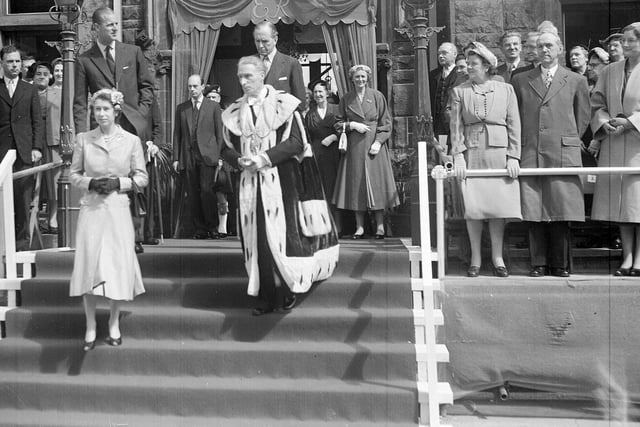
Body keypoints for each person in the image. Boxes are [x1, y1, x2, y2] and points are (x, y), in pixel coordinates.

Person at [220, 56, 339, 315]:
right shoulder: (234, 111)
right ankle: (265, 296)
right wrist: (238, 159)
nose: (242, 82)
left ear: (262, 74)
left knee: (284, 238)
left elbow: (296, 142)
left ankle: (288, 290)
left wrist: (265, 158)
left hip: (282, 182)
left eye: (248, 76)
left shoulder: (284, 105)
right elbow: (225, 148)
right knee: (259, 239)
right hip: (250, 184)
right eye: (240, 77)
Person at [69, 88, 147, 351]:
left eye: (105, 109)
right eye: (96, 109)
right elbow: (73, 175)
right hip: (91, 209)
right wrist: (90, 182)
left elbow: (142, 178)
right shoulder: (83, 139)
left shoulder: (131, 140)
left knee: (117, 267)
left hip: (117, 210)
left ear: (116, 111)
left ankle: (114, 322)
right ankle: (90, 325)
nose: (101, 114)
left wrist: (119, 182)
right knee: (89, 266)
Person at [511, 30, 590, 278]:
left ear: (559, 49)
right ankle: (539, 263)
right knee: (534, 209)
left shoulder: (575, 80)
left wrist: (567, 137)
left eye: (549, 46)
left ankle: (559, 264)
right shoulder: (521, 80)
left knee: (561, 208)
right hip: (532, 150)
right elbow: (515, 116)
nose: (545, 50)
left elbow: (583, 116)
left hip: (562, 151)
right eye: (540, 46)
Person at [450, 43, 522, 278]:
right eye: (467, 63)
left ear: (487, 66)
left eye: (473, 64)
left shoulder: (506, 90)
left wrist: (513, 156)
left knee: (496, 206)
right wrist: (458, 156)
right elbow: (456, 127)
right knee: (474, 206)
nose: (469, 67)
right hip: (473, 152)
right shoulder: (460, 91)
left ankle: (497, 257)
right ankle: (476, 258)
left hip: (499, 153)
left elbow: (514, 125)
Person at [589, 22, 640, 276]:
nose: (627, 44)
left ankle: (639, 259)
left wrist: (632, 121)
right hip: (614, 140)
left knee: (637, 202)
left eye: (632, 40)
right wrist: (603, 121)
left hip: (637, 145)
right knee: (622, 204)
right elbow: (596, 103)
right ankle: (627, 256)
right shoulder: (610, 70)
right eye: (626, 40)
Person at [333, 64, 399, 239]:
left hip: (373, 146)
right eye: (357, 77)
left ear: (368, 78)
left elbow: (386, 122)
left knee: (377, 184)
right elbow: (338, 123)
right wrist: (351, 125)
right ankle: (360, 227)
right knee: (357, 185)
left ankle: (380, 227)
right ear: (352, 79)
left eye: (363, 77)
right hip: (355, 146)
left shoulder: (377, 96)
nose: (360, 80)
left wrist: (378, 141)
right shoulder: (346, 99)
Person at [74, 7, 154, 139]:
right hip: (101, 128)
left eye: (116, 23)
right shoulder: (85, 60)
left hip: (133, 126)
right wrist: (81, 133)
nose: (115, 28)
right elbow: (80, 102)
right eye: (110, 25)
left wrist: (141, 113)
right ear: (97, 27)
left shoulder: (133, 52)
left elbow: (147, 86)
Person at [0, 46, 43, 251]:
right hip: (1, 152)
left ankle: (22, 244)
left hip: (25, 151)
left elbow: (37, 121)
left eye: (17, 61)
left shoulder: (30, 89)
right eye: (10, 62)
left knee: (23, 199)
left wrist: (36, 147)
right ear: (2, 64)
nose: (15, 65)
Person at [173, 74, 224, 240]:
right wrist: (176, 158)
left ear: (203, 86)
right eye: (190, 87)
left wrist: (220, 156)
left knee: (207, 191)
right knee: (193, 193)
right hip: (188, 156)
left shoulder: (213, 107)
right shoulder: (182, 108)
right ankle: (200, 229)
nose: (192, 90)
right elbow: (177, 135)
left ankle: (213, 227)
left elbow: (219, 133)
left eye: (195, 86)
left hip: (208, 155)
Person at [305, 81, 341, 233]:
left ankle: (339, 226)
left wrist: (334, 136)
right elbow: (306, 136)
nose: (318, 95)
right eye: (315, 92)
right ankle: (323, 226)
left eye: (321, 91)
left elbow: (344, 127)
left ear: (327, 93)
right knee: (320, 190)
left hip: (334, 154)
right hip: (317, 154)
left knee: (335, 188)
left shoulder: (336, 109)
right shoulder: (310, 113)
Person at [33, 61, 61, 234]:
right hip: (32, 142)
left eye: (45, 74)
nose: (42, 77)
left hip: (52, 141)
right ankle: (33, 220)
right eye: (38, 74)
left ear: (50, 76)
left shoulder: (57, 93)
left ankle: (53, 219)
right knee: (34, 182)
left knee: (54, 183)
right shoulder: (27, 92)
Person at [253, 21, 306, 110]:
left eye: (265, 41)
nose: (261, 46)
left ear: (275, 39)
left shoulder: (291, 64)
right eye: (257, 41)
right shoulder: (248, 64)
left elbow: (300, 103)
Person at [430, 42, 466, 136]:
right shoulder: (433, 75)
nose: (441, 56)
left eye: (444, 53)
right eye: (439, 54)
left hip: (456, 121)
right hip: (438, 124)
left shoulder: (461, 74)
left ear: (454, 54)